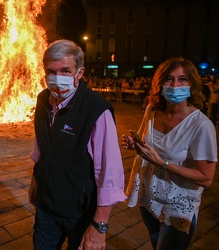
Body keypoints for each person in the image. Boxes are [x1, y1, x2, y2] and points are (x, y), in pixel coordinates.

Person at [29, 39, 126, 249]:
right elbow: (41, 148)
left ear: (79, 73)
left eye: (65, 71)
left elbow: (109, 173)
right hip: (46, 206)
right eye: (51, 71)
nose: (57, 78)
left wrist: (99, 227)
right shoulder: (42, 100)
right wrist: (35, 181)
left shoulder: (97, 110)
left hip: (79, 213)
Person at [121, 57, 217, 250]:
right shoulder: (152, 109)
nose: (175, 85)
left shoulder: (201, 125)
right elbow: (144, 137)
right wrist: (136, 144)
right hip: (148, 197)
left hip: (178, 205)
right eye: (168, 79)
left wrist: (162, 163)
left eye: (182, 79)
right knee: (155, 240)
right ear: (159, 83)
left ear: (192, 84)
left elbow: (206, 178)